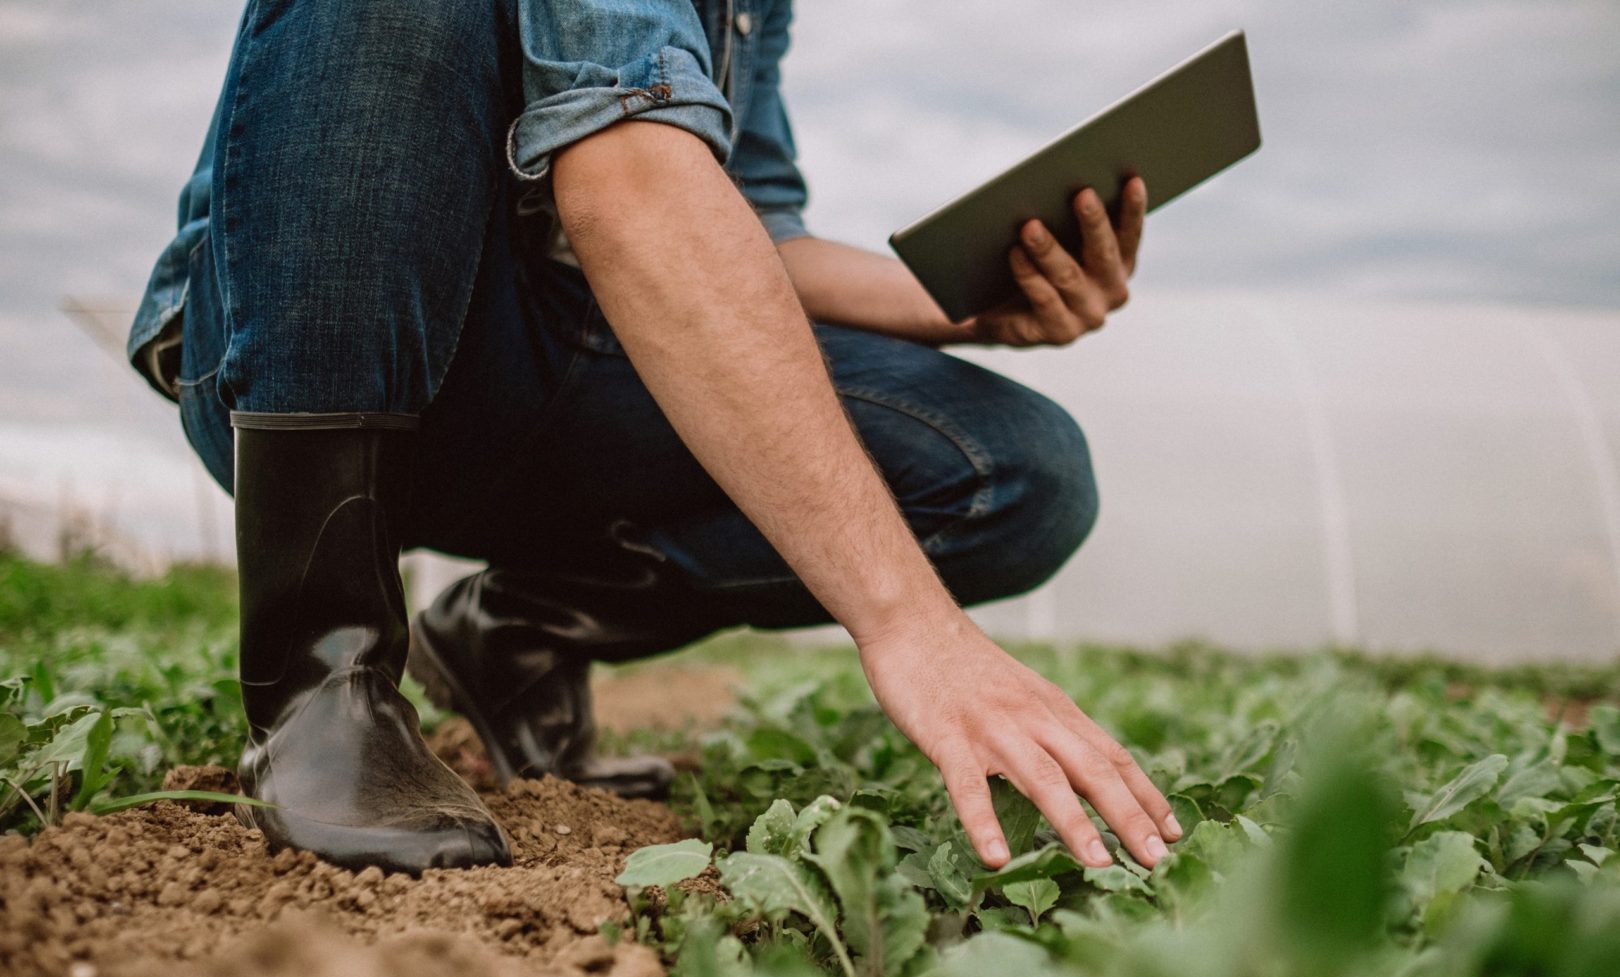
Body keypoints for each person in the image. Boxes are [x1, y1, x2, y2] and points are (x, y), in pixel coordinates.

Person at [126, 0, 1181, 875]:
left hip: (563, 350)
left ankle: (511, 632)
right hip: (310, 337)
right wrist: (909, 622)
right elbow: (624, 173)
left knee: (1017, 469)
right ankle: (325, 682)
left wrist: (963, 307)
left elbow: (750, 226)